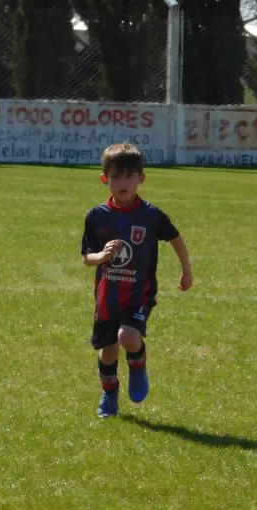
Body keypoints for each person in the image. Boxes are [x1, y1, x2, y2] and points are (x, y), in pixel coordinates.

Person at [81, 142, 192, 418]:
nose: (123, 182)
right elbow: (87, 257)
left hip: (138, 294)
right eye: (116, 176)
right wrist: (102, 256)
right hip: (108, 296)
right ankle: (109, 392)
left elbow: (175, 238)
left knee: (127, 335)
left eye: (130, 176)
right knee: (108, 353)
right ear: (104, 178)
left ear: (141, 179)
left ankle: (138, 365)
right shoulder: (97, 217)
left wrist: (186, 270)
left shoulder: (151, 215)